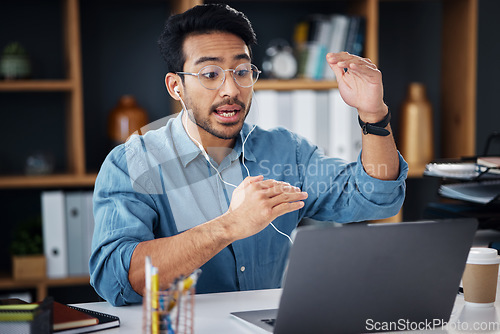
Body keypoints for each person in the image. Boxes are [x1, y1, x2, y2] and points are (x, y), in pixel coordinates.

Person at [90, 3, 408, 306]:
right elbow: (114, 280)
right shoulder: (133, 163)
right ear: (176, 87)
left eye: (242, 71)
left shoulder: (286, 151)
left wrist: (373, 112)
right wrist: (229, 226)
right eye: (210, 74)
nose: (231, 89)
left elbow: (376, 197)